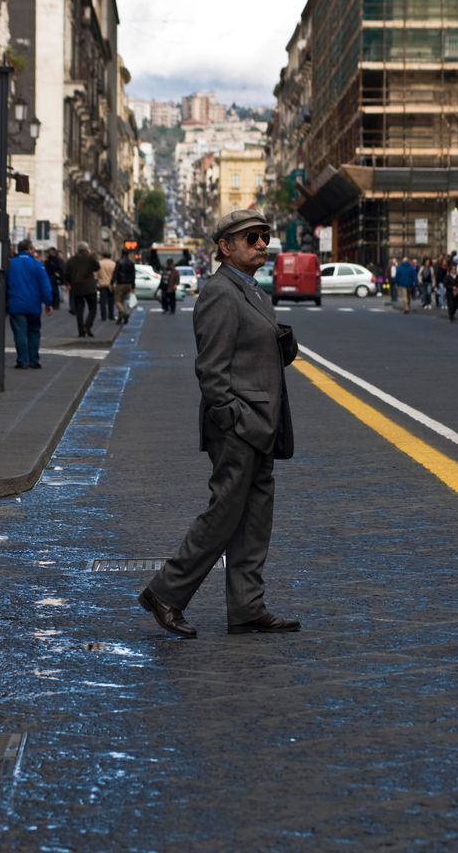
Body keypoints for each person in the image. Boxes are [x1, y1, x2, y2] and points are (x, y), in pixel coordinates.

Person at [138, 208, 300, 639]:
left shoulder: (254, 292)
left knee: (254, 519)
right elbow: (211, 370)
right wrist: (234, 419)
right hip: (239, 427)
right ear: (225, 247)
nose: (262, 244)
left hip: (262, 424)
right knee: (223, 516)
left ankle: (247, 607)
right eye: (251, 238)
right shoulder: (219, 293)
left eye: (264, 236)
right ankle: (165, 592)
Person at [6, 238, 53, 368]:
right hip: (33, 306)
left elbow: (4, 285)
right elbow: (45, 286)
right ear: (30, 249)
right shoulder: (38, 265)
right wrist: (48, 303)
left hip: (16, 305)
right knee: (34, 332)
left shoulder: (10, 264)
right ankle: (33, 360)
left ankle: (22, 360)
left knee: (20, 333)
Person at [64, 241, 100, 337]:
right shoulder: (90, 258)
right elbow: (97, 267)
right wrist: (92, 256)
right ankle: (87, 326)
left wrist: (68, 283)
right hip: (89, 288)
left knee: (79, 311)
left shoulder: (71, 260)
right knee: (93, 308)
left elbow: (66, 273)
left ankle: (81, 331)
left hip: (77, 288)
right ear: (86, 250)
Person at [112, 248, 136, 324]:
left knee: (117, 301)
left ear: (121, 253)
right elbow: (133, 275)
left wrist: (112, 282)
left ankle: (124, 313)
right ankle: (120, 319)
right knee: (123, 301)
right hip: (128, 284)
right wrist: (133, 285)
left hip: (120, 284)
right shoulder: (131, 263)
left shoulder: (119, 262)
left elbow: (115, 273)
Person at [96, 250, 116, 321]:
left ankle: (103, 316)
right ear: (110, 256)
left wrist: (97, 280)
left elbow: (96, 275)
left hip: (102, 284)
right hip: (111, 285)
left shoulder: (99, 263)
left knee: (103, 301)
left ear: (103, 256)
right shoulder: (113, 264)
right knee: (111, 301)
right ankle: (111, 315)